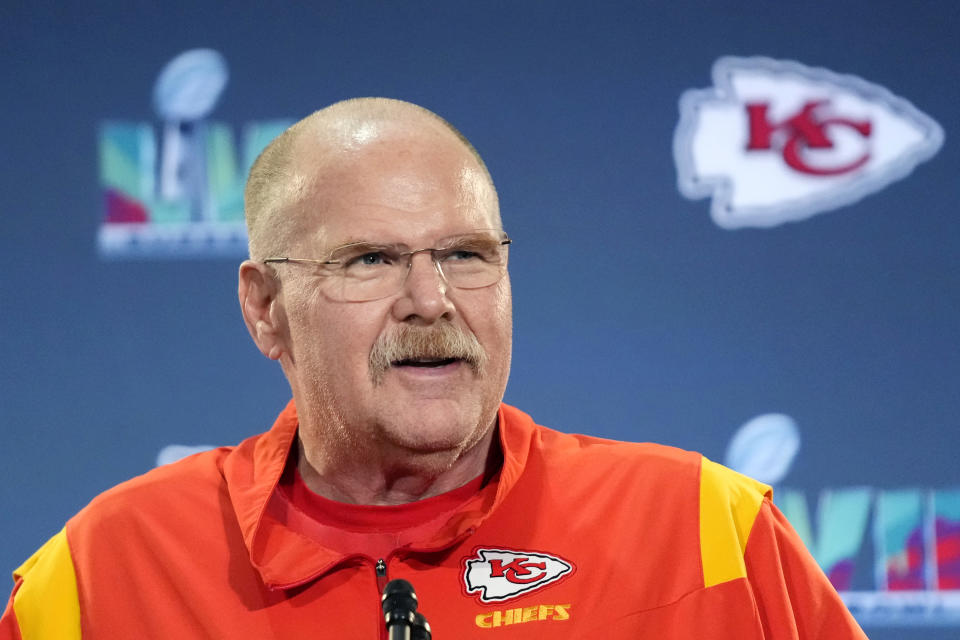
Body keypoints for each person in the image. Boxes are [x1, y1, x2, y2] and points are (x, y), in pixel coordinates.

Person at [1, 98, 868, 639]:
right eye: (370, 260)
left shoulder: (705, 531)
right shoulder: (103, 576)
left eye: (465, 253)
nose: (431, 298)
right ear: (265, 308)